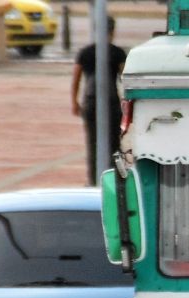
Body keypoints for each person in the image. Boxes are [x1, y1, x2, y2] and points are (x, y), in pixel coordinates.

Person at [71, 16, 128, 186]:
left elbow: (76, 79)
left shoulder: (86, 52)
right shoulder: (117, 52)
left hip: (90, 101)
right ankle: (112, 179)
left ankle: (94, 180)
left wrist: (74, 101)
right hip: (111, 102)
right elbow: (126, 79)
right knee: (114, 143)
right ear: (112, 31)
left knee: (92, 142)